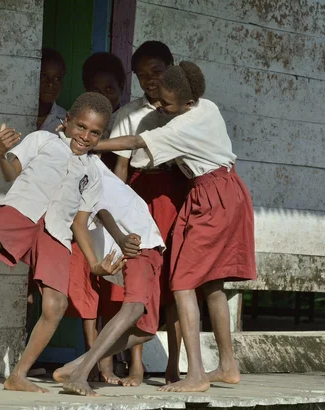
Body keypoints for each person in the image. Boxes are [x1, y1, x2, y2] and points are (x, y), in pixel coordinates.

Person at [0, 93, 124, 393]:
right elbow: (12, 172)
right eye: (81, 127)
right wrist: (0, 154)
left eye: (94, 133)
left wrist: (94, 264)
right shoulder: (43, 140)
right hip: (24, 207)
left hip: (56, 230)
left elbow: (79, 222)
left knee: (56, 304)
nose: (85, 136)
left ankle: (18, 375)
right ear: (67, 122)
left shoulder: (93, 173)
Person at [94, 61, 256, 393]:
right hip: (226, 191)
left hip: (211, 196)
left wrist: (91, 144)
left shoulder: (181, 125)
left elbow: (138, 142)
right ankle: (227, 365)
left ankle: (195, 374)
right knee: (212, 285)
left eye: (168, 104)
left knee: (183, 284)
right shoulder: (208, 107)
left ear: (186, 100)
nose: (163, 108)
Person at [53, 156, 166, 396]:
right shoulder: (81, 172)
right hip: (137, 244)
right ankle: (80, 374)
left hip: (151, 245)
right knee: (134, 308)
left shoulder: (93, 164)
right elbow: (101, 211)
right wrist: (121, 238)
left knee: (147, 329)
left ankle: (73, 367)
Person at [108, 40, 186, 385]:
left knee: (179, 278)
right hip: (140, 193)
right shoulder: (129, 114)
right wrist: (118, 208)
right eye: (142, 76)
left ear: (171, 68)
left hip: (177, 193)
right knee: (141, 274)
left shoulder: (186, 111)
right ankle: (137, 365)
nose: (150, 80)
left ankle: (173, 367)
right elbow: (121, 168)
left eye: (156, 71)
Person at [64, 51, 131, 384]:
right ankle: (95, 362)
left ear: (121, 88)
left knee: (113, 290)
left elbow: (120, 174)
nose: (106, 96)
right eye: (98, 89)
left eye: (112, 88)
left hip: (112, 214)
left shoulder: (123, 125)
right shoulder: (80, 128)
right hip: (83, 215)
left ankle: (103, 359)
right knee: (87, 289)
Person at [38, 49, 67, 132]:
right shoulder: (13, 113)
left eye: (57, 79)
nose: (50, 83)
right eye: (43, 76)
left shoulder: (64, 120)